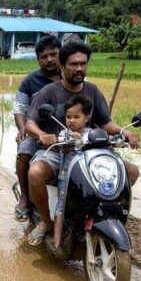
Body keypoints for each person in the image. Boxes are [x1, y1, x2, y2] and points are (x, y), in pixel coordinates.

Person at [25, 41, 141, 246]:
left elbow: (105, 122)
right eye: (73, 64)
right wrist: (43, 135)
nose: (79, 68)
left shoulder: (93, 90)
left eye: (83, 64)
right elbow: (30, 123)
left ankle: (99, 211)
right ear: (62, 66)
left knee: (130, 172)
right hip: (56, 149)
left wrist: (125, 132)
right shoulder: (49, 91)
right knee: (35, 173)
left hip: (89, 150)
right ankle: (45, 221)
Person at [12, 35, 62, 222]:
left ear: (61, 55)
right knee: (24, 151)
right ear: (38, 59)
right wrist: (23, 128)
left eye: (53, 54)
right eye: (44, 56)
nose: (49, 59)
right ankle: (25, 197)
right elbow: (19, 109)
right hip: (37, 131)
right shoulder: (30, 81)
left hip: (68, 133)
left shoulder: (71, 77)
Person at [52, 94, 92, 248]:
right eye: (68, 117)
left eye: (76, 116)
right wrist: (71, 139)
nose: (71, 120)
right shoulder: (64, 133)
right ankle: (57, 243)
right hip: (67, 177)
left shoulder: (91, 134)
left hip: (87, 179)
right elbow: (64, 147)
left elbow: (102, 141)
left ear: (86, 118)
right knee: (61, 208)